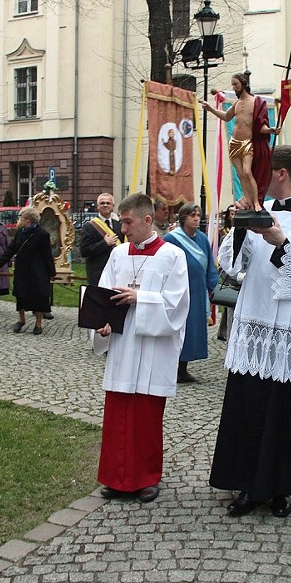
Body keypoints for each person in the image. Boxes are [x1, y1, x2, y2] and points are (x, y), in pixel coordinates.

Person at [209, 145, 291, 518]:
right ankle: (248, 485)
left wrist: (281, 242)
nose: (260, 178)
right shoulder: (256, 211)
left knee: (287, 412)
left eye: (266, 172)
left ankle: (280, 487)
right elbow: (231, 267)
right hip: (256, 324)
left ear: (281, 173)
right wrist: (237, 228)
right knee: (250, 408)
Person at [92, 193, 190, 503]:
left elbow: (177, 306)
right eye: (122, 222)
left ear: (147, 220)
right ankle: (115, 478)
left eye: (128, 222)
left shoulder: (172, 255)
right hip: (123, 345)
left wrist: (141, 299)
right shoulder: (118, 255)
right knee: (118, 415)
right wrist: (102, 322)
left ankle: (146, 479)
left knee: (146, 418)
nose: (123, 228)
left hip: (151, 348)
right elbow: (103, 293)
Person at [201, 74, 280, 212]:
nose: (234, 88)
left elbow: (260, 126)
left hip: (247, 143)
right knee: (240, 175)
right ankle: (248, 200)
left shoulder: (256, 102)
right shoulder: (236, 103)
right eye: (233, 85)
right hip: (234, 143)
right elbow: (226, 117)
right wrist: (211, 109)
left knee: (247, 172)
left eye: (236, 84)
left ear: (243, 84)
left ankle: (256, 202)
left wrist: (270, 130)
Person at [164, 202, 218, 383]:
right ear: (183, 217)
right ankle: (172, 366)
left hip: (197, 291)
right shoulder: (172, 239)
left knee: (193, 330)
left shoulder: (202, 238)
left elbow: (209, 265)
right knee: (178, 328)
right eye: (192, 215)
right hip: (178, 291)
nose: (197, 218)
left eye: (198, 215)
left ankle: (183, 367)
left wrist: (214, 289)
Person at [0, 207, 55, 335]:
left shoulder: (42, 234)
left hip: (38, 271)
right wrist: (0, 262)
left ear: (29, 220)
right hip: (22, 270)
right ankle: (21, 320)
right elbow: (11, 249)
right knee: (20, 295)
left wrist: (51, 273)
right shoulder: (20, 232)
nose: (20, 220)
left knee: (39, 298)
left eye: (22, 218)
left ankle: (38, 324)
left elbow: (47, 255)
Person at [80, 193, 124, 285]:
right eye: (102, 203)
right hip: (98, 273)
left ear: (113, 206)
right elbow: (84, 251)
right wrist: (104, 243)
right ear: (97, 206)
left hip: (117, 271)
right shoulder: (89, 226)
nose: (105, 205)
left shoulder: (119, 225)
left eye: (108, 203)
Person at [216, 204, 236, 342]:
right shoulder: (225, 236)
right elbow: (222, 263)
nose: (234, 216)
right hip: (233, 285)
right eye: (232, 213)